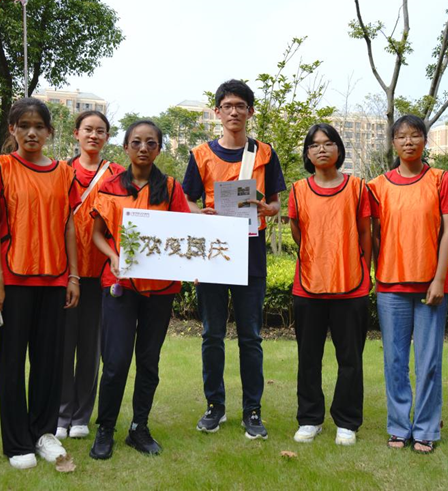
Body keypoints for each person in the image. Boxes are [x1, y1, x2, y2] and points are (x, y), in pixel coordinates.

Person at [182, 79, 286, 440]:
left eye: (240, 105)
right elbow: (187, 200)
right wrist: (200, 214)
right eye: (227, 106)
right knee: (212, 334)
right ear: (217, 112)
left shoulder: (265, 153)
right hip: (212, 251)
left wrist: (267, 208)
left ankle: (252, 411)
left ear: (250, 111)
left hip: (251, 253)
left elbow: (276, 203)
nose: (234, 112)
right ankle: (215, 406)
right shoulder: (200, 155)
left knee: (250, 337)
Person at [0, 97, 80, 470]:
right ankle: (16, 441)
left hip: (54, 280)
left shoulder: (63, 172)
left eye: (39, 126)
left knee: (49, 363)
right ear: (12, 129)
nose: (32, 133)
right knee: (11, 363)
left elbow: (69, 225)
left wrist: (73, 276)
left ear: (50, 132)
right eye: (24, 126)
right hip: (12, 280)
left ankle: (43, 433)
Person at [88, 120, 191, 460]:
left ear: (159, 148)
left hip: (160, 288)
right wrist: (112, 256)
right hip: (120, 285)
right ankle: (105, 429)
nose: (143, 148)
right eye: (136, 142)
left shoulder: (171, 188)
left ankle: (139, 428)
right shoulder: (110, 187)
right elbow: (97, 234)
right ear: (126, 147)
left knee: (148, 360)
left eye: (150, 143)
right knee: (116, 361)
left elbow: (184, 233)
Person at [368, 115, 448, 454]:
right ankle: (398, 426)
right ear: (393, 143)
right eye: (402, 137)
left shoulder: (442, 180)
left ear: (425, 140)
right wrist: (377, 273)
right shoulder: (378, 186)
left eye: (415, 135)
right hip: (390, 287)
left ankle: (425, 429)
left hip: (429, 288)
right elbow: (373, 235)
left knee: (429, 362)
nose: (408, 142)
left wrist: (439, 278)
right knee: (394, 361)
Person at [288, 123, 372, 446]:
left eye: (328, 143)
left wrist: (364, 270)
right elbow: (298, 233)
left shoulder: (358, 188)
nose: (321, 149)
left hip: (351, 285)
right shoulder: (298, 190)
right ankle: (310, 418)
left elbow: (364, 232)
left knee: (350, 359)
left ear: (339, 148)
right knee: (308, 357)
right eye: (314, 145)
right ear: (307, 153)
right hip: (308, 285)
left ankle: (347, 421)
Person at [56, 110, 125, 441]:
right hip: (65, 272)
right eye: (88, 130)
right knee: (62, 346)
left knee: (90, 347)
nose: (93, 136)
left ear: (107, 137)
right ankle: (61, 413)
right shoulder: (60, 171)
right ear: (76, 133)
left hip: (101, 273)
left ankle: (82, 415)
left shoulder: (117, 175)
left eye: (100, 131)